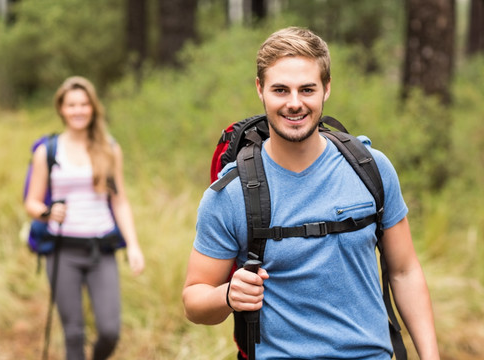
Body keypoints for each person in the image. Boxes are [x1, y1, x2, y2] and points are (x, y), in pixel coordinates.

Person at [183, 27, 440, 359]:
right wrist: (228, 295)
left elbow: (405, 271)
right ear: (260, 89)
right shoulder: (231, 194)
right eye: (280, 90)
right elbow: (194, 300)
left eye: (307, 89)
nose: (294, 103)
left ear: (326, 88)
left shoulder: (371, 169)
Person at [25, 76, 145, 360]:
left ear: (92, 108)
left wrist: (134, 245)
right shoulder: (48, 151)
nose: (78, 110)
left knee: (110, 330)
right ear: (61, 109)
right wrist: (46, 212)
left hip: (100, 249)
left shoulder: (109, 148)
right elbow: (31, 201)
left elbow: (120, 201)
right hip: (62, 249)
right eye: (71, 105)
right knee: (74, 332)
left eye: (84, 104)